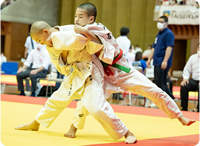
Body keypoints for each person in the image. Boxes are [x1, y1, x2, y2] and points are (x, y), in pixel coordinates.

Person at [65, 3, 195, 140]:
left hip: (123, 71)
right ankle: (74, 127)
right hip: (103, 76)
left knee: (153, 90)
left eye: (80, 16)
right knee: (87, 102)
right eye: (75, 16)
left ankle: (180, 116)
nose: (76, 20)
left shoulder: (99, 29)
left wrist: (81, 31)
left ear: (91, 19)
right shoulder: (77, 36)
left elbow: (96, 40)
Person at [15, 21, 136, 144]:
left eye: (40, 40)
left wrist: (66, 45)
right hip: (76, 72)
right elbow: (62, 69)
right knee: (58, 97)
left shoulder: (70, 30)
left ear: (46, 32)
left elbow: (92, 43)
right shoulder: (50, 47)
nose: (40, 44)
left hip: (92, 69)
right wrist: (65, 52)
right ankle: (36, 123)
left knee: (94, 107)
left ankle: (127, 133)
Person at [147, 15, 175, 100]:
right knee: (158, 82)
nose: (159, 23)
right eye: (158, 21)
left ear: (166, 23)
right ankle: (171, 98)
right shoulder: (158, 34)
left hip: (163, 61)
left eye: (161, 22)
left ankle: (167, 100)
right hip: (156, 61)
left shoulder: (169, 33)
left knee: (162, 83)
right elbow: (154, 47)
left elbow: (169, 47)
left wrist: (165, 61)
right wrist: (149, 59)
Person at [180, 43, 199, 112]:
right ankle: (184, 107)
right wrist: (185, 78)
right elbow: (187, 69)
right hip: (194, 80)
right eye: (199, 48)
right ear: (197, 49)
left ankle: (199, 109)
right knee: (184, 86)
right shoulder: (192, 57)